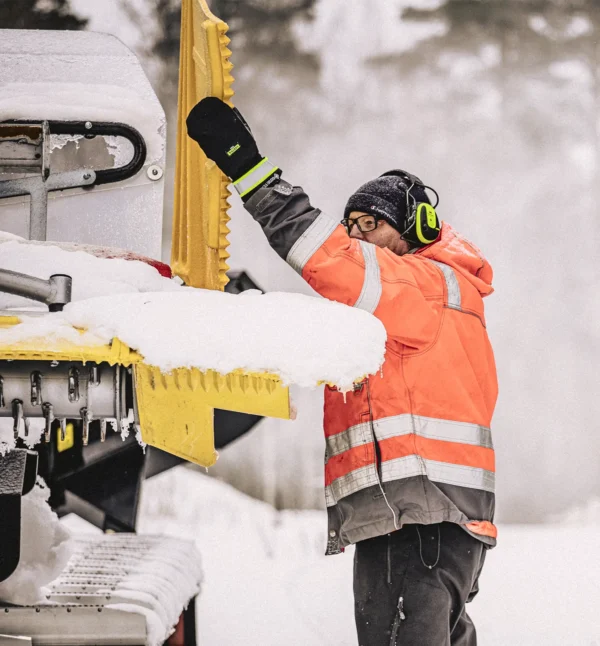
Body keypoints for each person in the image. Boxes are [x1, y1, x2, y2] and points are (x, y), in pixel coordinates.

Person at [187, 97, 498, 646]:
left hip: (420, 521)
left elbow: (325, 256)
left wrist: (250, 171)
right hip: (419, 522)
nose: (355, 236)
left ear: (416, 230)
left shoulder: (426, 285)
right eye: (349, 224)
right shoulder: (406, 311)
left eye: (370, 224)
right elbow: (320, 343)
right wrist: (251, 309)